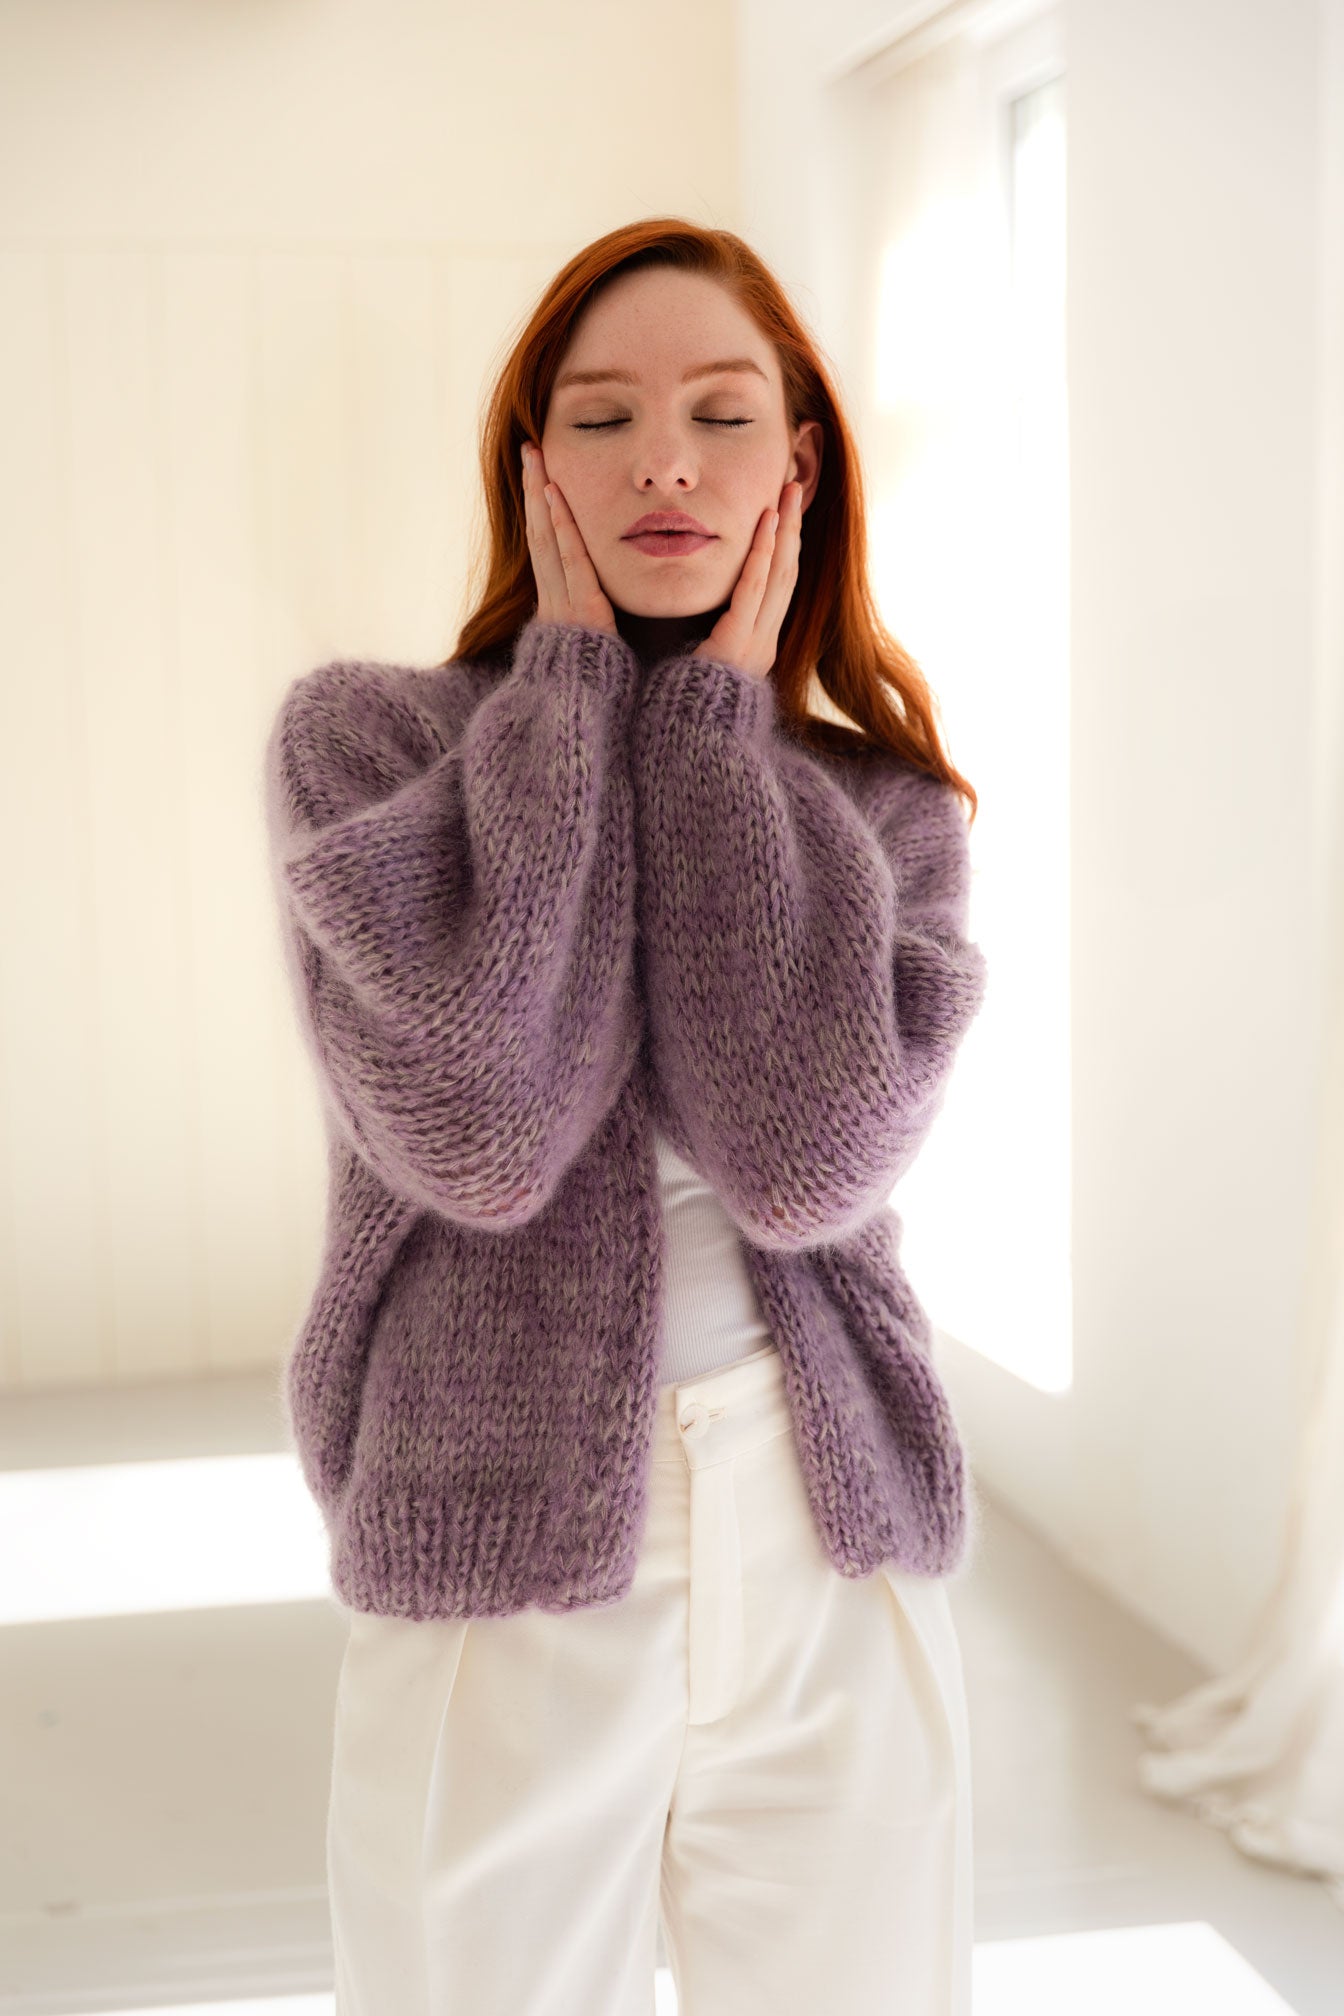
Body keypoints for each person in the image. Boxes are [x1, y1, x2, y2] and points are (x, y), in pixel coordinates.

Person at [262, 216, 990, 2016]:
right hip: (490, 1547)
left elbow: (804, 1158)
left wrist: (719, 742)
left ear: (798, 466)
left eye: (722, 413)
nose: (664, 458)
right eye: (602, 417)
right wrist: (577, 706)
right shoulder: (366, 748)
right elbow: (486, 1127)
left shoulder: (888, 813)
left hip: (824, 1541)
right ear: (531, 471)